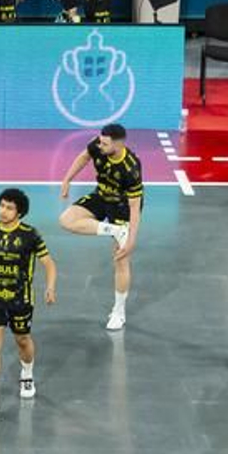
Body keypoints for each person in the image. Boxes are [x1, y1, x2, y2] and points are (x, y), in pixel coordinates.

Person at [0, 188, 57, 416]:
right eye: (1, 205)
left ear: (19, 212)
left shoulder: (30, 235)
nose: (3, 211)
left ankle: (26, 374)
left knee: (23, 340)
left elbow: (49, 263)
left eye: (9, 207)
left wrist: (49, 287)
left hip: (21, 299)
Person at [58, 122, 144, 331]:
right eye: (100, 140)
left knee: (121, 260)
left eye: (105, 143)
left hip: (123, 206)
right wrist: (67, 179)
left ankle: (119, 312)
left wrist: (131, 239)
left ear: (118, 144)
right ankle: (113, 229)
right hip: (101, 195)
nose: (100, 145)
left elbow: (135, 205)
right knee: (66, 219)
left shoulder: (130, 168)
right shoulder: (98, 145)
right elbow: (84, 157)